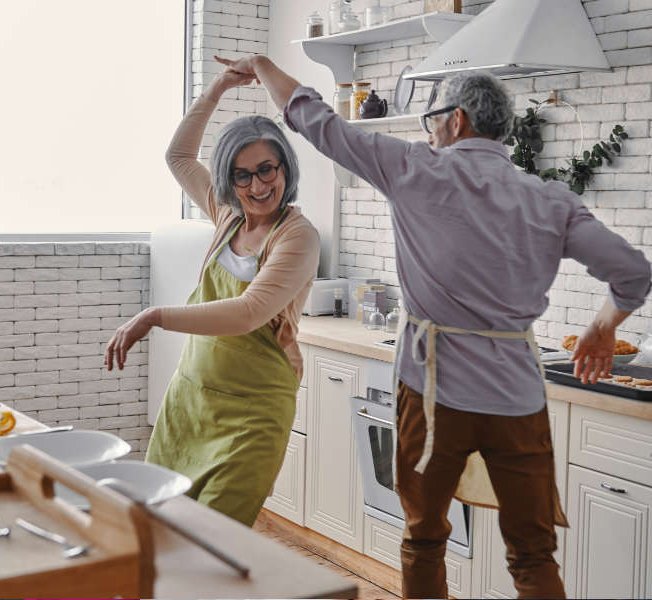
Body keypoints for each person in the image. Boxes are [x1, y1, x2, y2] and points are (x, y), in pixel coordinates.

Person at [216, 55, 651, 598]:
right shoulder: (548, 198)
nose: (430, 131)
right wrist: (604, 326)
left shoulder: (413, 169)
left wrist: (262, 65)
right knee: (533, 554)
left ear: (458, 119)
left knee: (424, 539)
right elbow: (634, 274)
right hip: (517, 400)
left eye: (431, 119)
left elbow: (315, 119)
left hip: (431, 396)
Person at [103, 66, 320, 528]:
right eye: (242, 176)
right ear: (228, 180)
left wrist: (155, 316)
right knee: (159, 527)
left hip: (253, 413)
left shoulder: (297, 237)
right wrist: (218, 88)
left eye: (267, 169)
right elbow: (179, 156)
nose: (258, 187)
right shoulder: (228, 215)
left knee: (214, 538)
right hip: (190, 401)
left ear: (284, 167)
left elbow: (250, 312)